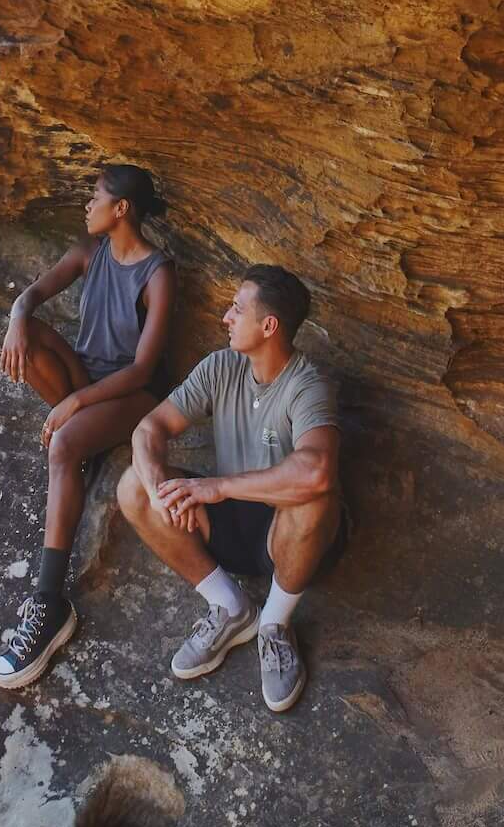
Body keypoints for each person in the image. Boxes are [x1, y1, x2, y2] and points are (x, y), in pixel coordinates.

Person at [117, 264, 342, 714]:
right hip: (230, 525)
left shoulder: (307, 385)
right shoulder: (221, 367)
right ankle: (231, 608)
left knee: (315, 497)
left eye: (237, 309)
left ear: (269, 325)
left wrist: (216, 487)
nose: (225, 317)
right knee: (132, 487)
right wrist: (162, 489)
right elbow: (148, 430)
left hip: (287, 535)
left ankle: (274, 625)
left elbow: (316, 470)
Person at [0, 162, 175, 689]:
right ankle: (82, 445)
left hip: (133, 394)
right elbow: (30, 297)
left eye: (96, 198)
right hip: (88, 379)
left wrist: (72, 407)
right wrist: (16, 318)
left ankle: (48, 608)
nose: (87, 206)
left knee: (65, 445)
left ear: (121, 209)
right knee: (32, 336)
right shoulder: (87, 254)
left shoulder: (157, 273)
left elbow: (142, 368)